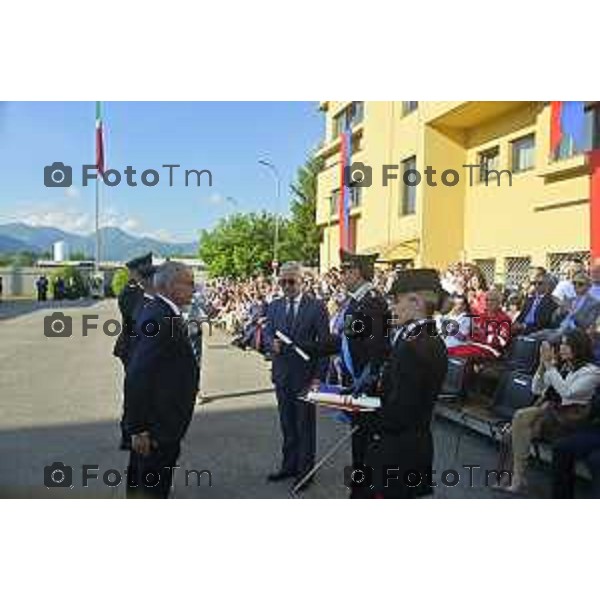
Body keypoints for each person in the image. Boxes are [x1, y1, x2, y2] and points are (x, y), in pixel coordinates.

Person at [359, 269, 448, 498]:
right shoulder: (420, 338)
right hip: (409, 448)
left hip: (399, 453)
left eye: (395, 301)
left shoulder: (416, 345)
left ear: (416, 301)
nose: (391, 308)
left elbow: (400, 412)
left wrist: (360, 411)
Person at [311, 250, 391, 497]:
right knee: (359, 445)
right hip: (354, 380)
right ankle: (359, 491)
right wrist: (308, 347)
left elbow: (379, 347)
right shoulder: (357, 300)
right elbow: (346, 340)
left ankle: (362, 494)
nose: (341, 276)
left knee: (365, 445)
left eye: (345, 271)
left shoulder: (372, 301)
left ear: (356, 272)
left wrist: (368, 379)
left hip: (364, 384)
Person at [123, 261, 199, 499]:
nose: (194, 289)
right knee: (150, 491)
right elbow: (137, 375)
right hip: (157, 428)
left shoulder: (164, 311)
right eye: (190, 283)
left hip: (165, 424)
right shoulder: (159, 316)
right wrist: (138, 428)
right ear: (171, 286)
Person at [497, 329, 600, 494]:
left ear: (579, 347)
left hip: (571, 420)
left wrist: (550, 367)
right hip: (553, 414)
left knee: (519, 425)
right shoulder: (563, 366)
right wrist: (541, 366)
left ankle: (516, 479)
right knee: (520, 419)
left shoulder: (592, 372)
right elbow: (536, 389)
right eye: (562, 344)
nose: (562, 348)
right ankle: (517, 478)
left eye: (567, 344)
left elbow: (568, 393)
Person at [265, 262, 330, 491]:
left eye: (291, 281)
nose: (286, 286)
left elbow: (324, 346)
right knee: (287, 424)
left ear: (302, 281)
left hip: (306, 377)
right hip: (282, 375)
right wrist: (270, 344)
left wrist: (318, 378)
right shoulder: (273, 307)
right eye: (282, 281)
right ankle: (288, 466)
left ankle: (305, 472)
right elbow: (266, 336)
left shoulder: (317, 307)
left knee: (304, 426)